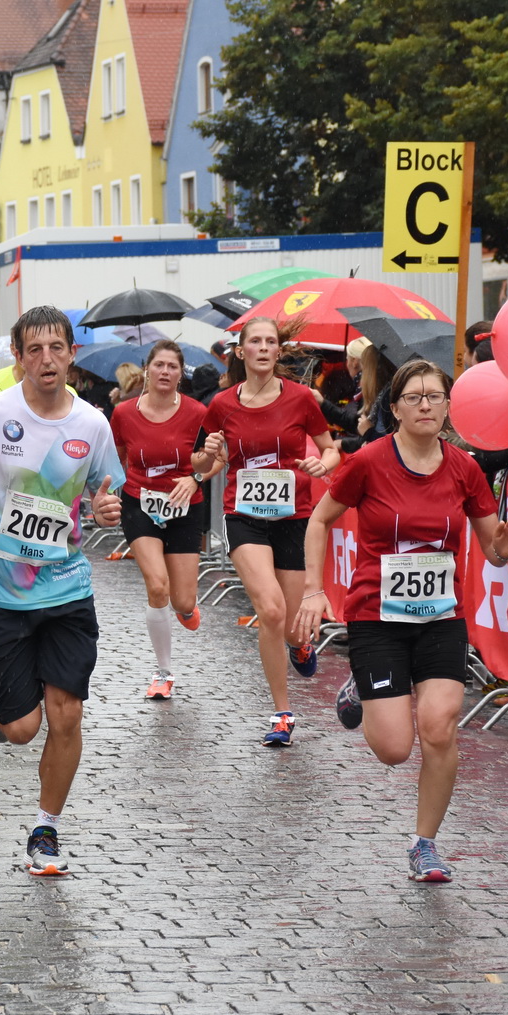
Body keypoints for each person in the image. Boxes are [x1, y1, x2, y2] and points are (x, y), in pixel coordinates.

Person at [294, 359, 508, 884]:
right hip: (378, 618)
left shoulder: (464, 468)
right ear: (394, 407)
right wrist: (313, 590)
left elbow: (493, 548)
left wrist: (503, 550)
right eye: (415, 397)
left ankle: (426, 844)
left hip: (441, 618)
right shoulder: (369, 462)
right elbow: (319, 521)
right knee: (395, 748)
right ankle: (360, 689)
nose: (426, 405)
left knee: (439, 727)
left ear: (448, 406)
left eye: (436, 397)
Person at [0, 305, 124, 876]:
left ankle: (47, 829)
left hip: (66, 588)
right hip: (0, 593)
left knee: (66, 716)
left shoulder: (92, 424)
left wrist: (108, 510)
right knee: (22, 730)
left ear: (71, 355)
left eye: (56, 348)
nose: (46, 359)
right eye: (33, 349)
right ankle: (3, 708)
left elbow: (104, 495)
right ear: (18, 357)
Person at [204, 317, 340, 746]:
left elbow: (332, 448)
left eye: (271, 342)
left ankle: (300, 645)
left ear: (278, 352)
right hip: (243, 516)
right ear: (241, 351)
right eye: (255, 342)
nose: (263, 348)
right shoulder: (222, 404)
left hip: (294, 517)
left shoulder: (301, 399)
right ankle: (282, 713)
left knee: (294, 626)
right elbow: (204, 464)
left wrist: (323, 464)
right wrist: (206, 456)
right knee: (272, 609)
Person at [109, 340, 224, 699]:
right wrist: (106, 493)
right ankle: (163, 673)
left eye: (172, 367)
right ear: (147, 369)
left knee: (184, 601)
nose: (164, 372)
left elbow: (220, 458)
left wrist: (195, 479)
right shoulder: (124, 413)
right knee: (157, 585)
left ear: (180, 373)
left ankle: (185, 609)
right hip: (139, 504)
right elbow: (116, 460)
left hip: (186, 507)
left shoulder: (197, 413)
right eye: (158, 365)